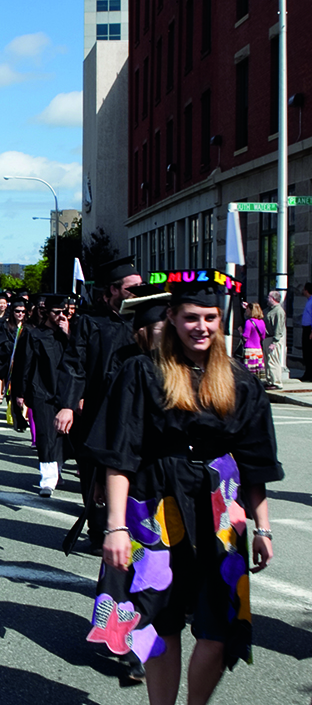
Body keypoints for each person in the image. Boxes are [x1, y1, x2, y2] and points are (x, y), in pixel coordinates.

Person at [86, 276, 283, 704]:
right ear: (172, 318)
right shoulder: (143, 373)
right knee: (161, 621)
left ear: (220, 320)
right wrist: (115, 527)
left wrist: (263, 528)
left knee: (219, 626)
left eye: (210, 317)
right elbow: (121, 454)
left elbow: (255, 464)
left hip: (219, 513)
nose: (201, 326)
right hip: (155, 508)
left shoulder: (239, 381)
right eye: (191, 317)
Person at [57, 256, 142, 554]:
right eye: (131, 288)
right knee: (93, 473)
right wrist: (68, 404)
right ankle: (97, 530)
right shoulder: (89, 322)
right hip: (96, 410)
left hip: (134, 411)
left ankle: (132, 528)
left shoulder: (143, 322)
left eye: (140, 287)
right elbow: (74, 365)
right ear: (111, 291)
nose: (137, 293)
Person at [15, 294, 70, 497]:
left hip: (65, 392)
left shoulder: (70, 336)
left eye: (65, 312)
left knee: (65, 436)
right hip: (42, 391)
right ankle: (47, 479)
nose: (61, 316)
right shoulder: (34, 335)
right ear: (46, 312)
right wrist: (20, 392)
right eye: (57, 313)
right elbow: (24, 365)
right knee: (46, 435)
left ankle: (58, 471)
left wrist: (68, 334)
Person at [263, 291, 285, 390]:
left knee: (273, 361)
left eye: (269, 297)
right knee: (267, 361)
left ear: (273, 298)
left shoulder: (279, 311)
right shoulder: (269, 309)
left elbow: (279, 327)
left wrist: (274, 342)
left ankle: (276, 382)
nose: (267, 298)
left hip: (274, 338)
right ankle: (270, 380)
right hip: (267, 337)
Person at [241, 302, 267, 381]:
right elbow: (263, 336)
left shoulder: (249, 322)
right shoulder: (262, 322)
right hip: (258, 350)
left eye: (248, 309)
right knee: (258, 371)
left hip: (249, 349)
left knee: (249, 371)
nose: (247, 311)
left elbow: (245, 337)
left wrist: (240, 332)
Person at [301, 282, 312, 381]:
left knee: (309, 353)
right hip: (306, 329)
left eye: (304, 289)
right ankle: (308, 373)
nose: (303, 291)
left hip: (309, 330)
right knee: (306, 353)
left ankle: (309, 374)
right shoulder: (309, 301)